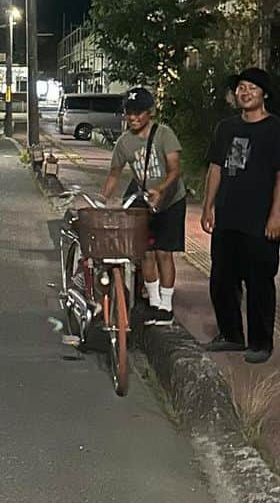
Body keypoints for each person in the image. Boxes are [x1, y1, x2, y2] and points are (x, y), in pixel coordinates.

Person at [201, 67, 280, 363]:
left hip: (260, 220)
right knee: (222, 279)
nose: (244, 92)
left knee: (260, 281)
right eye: (241, 88)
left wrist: (276, 216)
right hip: (227, 216)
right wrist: (208, 207)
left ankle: (260, 343)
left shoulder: (274, 129)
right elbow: (215, 169)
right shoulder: (226, 128)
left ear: (264, 94)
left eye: (252, 88)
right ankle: (231, 334)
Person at [99, 86, 186, 325]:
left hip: (171, 200)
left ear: (150, 113)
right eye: (129, 113)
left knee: (164, 252)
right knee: (145, 252)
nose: (134, 118)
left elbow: (175, 169)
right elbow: (114, 175)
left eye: (139, 113)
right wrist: (102, 200)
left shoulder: (164, 134)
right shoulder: (124, 143)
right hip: (144, 200)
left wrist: (160, 190)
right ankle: (154, 303)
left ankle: (166, 308)